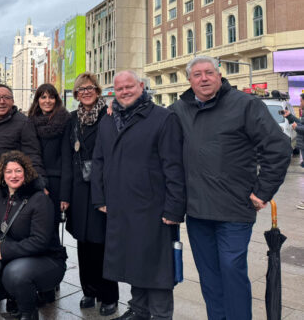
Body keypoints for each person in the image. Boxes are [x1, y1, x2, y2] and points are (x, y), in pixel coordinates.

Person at [170, 57, 290, 320]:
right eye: (198, 74)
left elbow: (278, 148)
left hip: (234, 211)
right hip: (197, 211)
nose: (204, 78)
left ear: (219, 75)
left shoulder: (245, 104)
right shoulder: (179, 109)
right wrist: (118, 109)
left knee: (231, 271)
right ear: (189, 80)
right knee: (209, 276)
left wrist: (263, 191)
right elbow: (153, 129)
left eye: (209, 73)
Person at [91, 71, 186, 320]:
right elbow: (99, 160)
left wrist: (174, 208)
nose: (124, 91)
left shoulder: (163, 118)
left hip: (153, 207)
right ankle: (139, 309)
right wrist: (99, 197)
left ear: (141, 86)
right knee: (132, 260)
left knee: (157, 266)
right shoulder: (108, 120)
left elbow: (174, 166)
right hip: (120, 206)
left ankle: (160, 314)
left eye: (129, 86)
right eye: (119, 88)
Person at [0, 151, 66, 320]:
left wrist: (6, 251)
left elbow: (40, 242)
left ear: (26, 173)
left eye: (18, 171)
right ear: (2, 175)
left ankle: (28, 313)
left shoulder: (39, 199)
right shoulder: (1, 196)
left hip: (47, 260)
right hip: (16, 257)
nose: (13, 176)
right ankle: (17, 298)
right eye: (8, 171)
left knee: (15, 274)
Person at [63, 73, 119, 315]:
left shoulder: (109, 116)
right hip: (78, 190)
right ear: (75, 94)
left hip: (101, 189)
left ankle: (109, 295)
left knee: (102, 243)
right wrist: (64, 195)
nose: (85, 92)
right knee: (83, 244)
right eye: (80, 89)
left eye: (89, 88)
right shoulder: (72, 119)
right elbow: (66, 157)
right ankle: (89, 290)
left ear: (97, 91)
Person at [0, 84, 44, 251]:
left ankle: (1, 273)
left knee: (2, 238)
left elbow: (32, 155)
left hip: (5, 194)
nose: (1, 101)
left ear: (12, 101)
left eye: (6, 97)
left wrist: (41, 182)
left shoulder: (23, 122)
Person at [27, 83, 70, 234]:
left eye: (51, 97)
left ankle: (55, 258)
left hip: (56, 184)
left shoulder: (65, 121)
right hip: (35, 181)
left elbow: (67, 160)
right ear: (37, 100)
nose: (47, 101)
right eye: (43, 97)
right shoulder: (30, 122)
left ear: (56, 100)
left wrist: (65, 195)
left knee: (52, 231)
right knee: (35, 229)